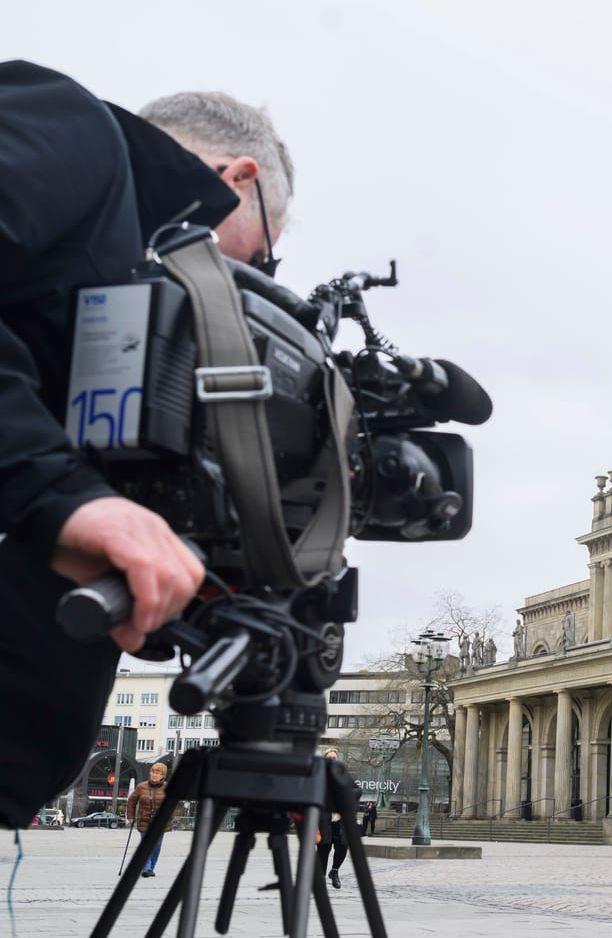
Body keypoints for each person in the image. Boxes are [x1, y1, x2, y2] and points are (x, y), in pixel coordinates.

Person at [0, 61, 295, 830]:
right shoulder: (74, 129)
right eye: (263, 256)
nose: (252, 281)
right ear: (239, 178)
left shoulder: (119, 287)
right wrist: (55, 491)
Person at [125, 763, 174, 877]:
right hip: (144, 821)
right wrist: (131, 816)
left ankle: (151, 868)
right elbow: (131, 801)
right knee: (145, 845)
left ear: (163, 776)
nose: (154, 775)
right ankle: (146, 868)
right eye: (153, 772)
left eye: (158, 773)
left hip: (160, 822)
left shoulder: (168, 787)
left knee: (156, 847)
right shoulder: (141, 787)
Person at [316, 749, 350, 889]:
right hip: (324, 818)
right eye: (329, 758)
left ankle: (334, 872)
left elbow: (357, 790)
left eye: (334, 757)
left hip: (340, 820)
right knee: (324, 847)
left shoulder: (343, 776)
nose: (332, 760)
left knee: (343, 846)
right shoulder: (318, 777)